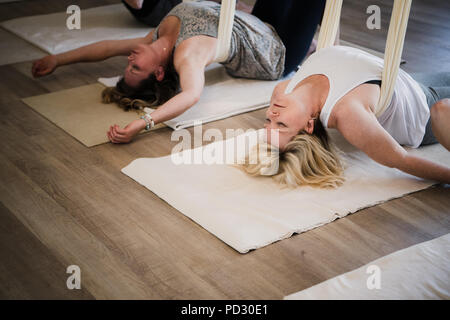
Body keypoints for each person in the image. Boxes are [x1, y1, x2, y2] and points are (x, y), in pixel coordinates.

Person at [31, 0, 327, 144]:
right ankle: (315, 48)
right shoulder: (187, 54)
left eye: (128, 65)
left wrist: (58, 59)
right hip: (277, 51)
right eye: (135, 67)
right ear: (159, 73)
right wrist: (141, 124)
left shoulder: (154, 40)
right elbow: (191, 94)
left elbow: (107, 47)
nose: (130, 58)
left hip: (258, 24)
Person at [241, 45, 450, 188]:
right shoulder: (347, 113)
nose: (272, 113)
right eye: (282, 124)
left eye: (268, 121)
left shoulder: (282, 91)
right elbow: (401, 159)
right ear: (308, 126)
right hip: (427, 112)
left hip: (411, 83)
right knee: (443, 109)